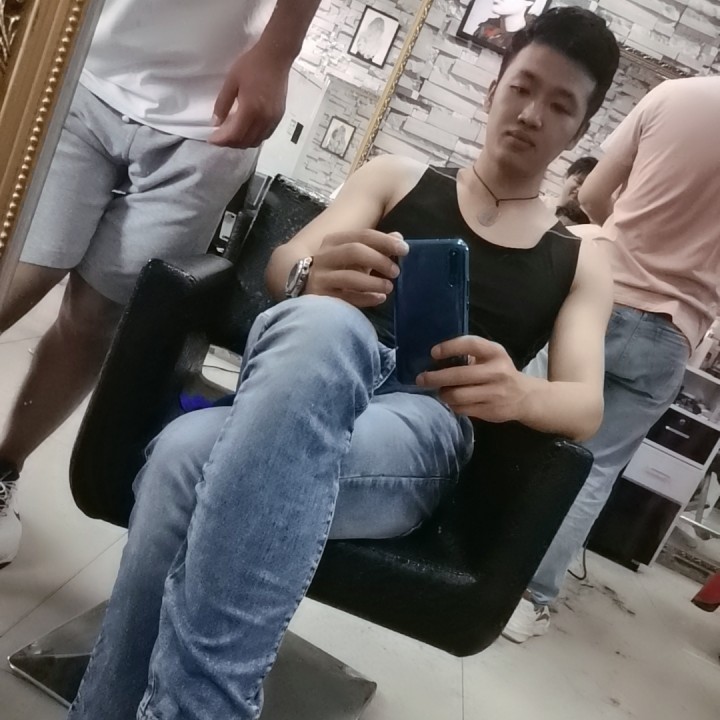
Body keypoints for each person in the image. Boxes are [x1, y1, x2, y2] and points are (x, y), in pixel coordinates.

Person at [66, 9, 619, 718]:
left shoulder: (577, 259)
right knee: (311, 336)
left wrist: (516, 392)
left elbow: (585, 404)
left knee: (186, 453)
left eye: (560, 105)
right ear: (494, 90)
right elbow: (285, 266)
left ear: (580, 130)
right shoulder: (397, 177)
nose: (532, 114)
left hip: (425, 419)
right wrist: (313, 275)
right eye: (522, 87)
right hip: (311, 375)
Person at [0, 0, 322, 568]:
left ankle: (4, 469)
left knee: (98, 319)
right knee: (18, 274)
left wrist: (279, 51)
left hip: (211, 116)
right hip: (84, 63)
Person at [503, 74, 720, 643]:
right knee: (592, 470)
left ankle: (474, 550)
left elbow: (593, 194)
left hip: (599, 295)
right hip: (672, 330)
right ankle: (527, 600)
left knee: (523, 426)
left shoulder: (672, 96)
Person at [555, 155, 598, 225]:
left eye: (587, 187)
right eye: (578, 182)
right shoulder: (541, 206)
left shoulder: (587, 227)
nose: (580, 190)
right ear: (566, 176)